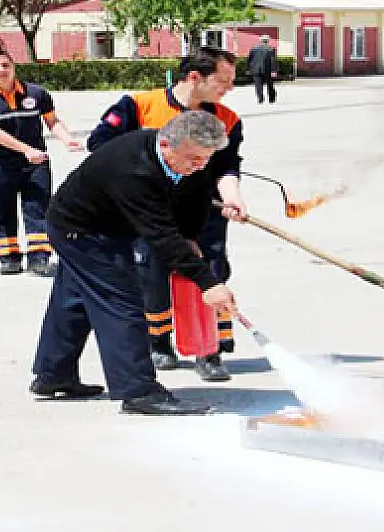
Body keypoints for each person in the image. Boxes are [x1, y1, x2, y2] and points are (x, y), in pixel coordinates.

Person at [30, 110, 238, 415]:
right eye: (193, 158)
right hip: (80, 229)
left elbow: (197, 194)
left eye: (206, 158)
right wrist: (208, 283)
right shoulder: (133, 169)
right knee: (121, 302)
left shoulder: (189, 159)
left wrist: (191, 236)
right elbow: (161, 237)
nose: (199, 165)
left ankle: (53, 374)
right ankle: (138, 391)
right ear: (166, 144)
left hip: (111, 225)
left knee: (74, 298)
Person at [86, 46, 246, 382]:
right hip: (151, 209)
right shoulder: (139, 106)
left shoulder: (227, 119)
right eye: (223, 80)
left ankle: (209, 350)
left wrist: (232, 198)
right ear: (194, 78)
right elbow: (101, 146)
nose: (230, 88)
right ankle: (159, 341)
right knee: (152, 275)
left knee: (209, 272)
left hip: (204, 212)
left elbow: (227, 166)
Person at [0, 48, 82, 276]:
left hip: (35, 163)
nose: (2, 70)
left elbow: (52, 121)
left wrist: (67, 139)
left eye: (6, 65)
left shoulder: (36, 94)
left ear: (13, 66)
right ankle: (9, 257)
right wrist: (25, 150)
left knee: (38, 206)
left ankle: (39, 258)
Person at [247, 35, 278, 104]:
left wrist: (248, 69)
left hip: (256, 70)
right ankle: (271, 99)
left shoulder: (254, 48)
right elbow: (272, 60)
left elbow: (249, 59)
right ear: (267, 41)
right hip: (267, 70)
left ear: (260, 41)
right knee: (270, 84)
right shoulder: (271, 49)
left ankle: (260, 98)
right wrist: (273, 70)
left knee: (258, 85)